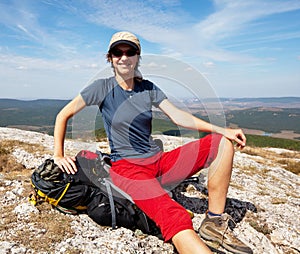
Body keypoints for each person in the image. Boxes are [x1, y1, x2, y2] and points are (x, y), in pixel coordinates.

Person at [53, 31, 253, 254]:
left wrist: (221, 129)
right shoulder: (101, 88)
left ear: (138, 57)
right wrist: (58, 154)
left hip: (159, 163)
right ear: (110, 58)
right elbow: (63, 115)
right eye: (117, 52)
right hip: (128, 170)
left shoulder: (148, 88)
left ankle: (214, 224)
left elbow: (178, 117)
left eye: (130, 52)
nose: (124, 57)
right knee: (174, 216)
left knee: (222, 143)